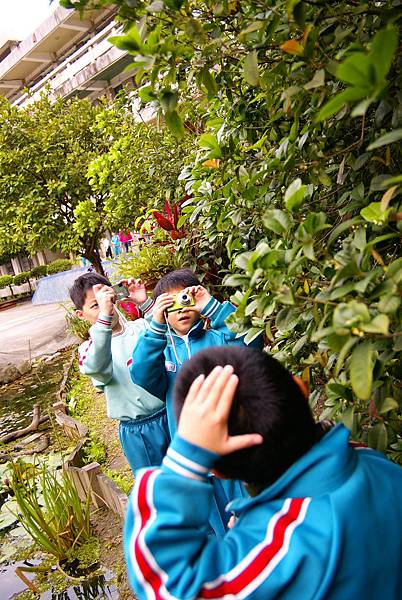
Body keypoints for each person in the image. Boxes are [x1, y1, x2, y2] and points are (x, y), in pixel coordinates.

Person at [124, 346, 402, 600]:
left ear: (216, 471)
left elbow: (164, 583)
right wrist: (254, 524)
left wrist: (187, 458)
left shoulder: (276, 552)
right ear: (301, 388)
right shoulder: (373, 462)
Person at [129, 268, 263, 536]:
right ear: (163, 311)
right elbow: (141, 373)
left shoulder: (219, 340)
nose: (181, 308)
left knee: (251, 517)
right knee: (212, 526)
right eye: (172, 303)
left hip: (233, 451)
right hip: (196, 460)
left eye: (186, 299)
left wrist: (213, 307)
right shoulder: (163, 354)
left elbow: (252, 341)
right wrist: (155, 326)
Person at [69, 272, 170, 473]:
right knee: (154, 488)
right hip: (137, 431)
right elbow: (97, 366)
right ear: (81, 314)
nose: (107, 308)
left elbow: (168, 335)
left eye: (108, 300)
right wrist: (104, 317)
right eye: (95, 305)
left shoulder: (140, 327)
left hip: (171, 413)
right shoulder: (88, 350)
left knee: (194, 476)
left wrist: (145, 302)